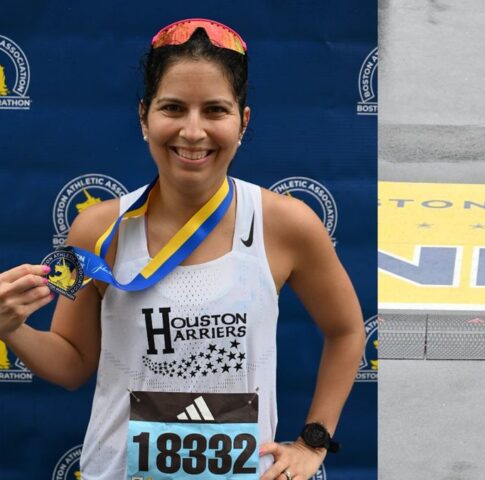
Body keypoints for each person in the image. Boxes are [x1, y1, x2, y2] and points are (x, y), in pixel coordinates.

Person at [0, 19, 365, 480]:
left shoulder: (286, 224)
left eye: (215, 110)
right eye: (173, 108)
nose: (193, 132)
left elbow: (348, 331)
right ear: (143, 117)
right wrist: (11, 329)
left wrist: (314, 441)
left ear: (243, 121)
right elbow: (72, 362)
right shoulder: (95, 230)